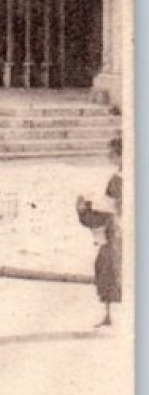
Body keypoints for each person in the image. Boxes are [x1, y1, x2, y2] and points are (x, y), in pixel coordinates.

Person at [77, 136, 123, 327]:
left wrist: (85, 206)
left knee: (109, 268)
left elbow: (113, 207)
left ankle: (111, 314)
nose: (108, 156)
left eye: (111, 152)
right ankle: (109, 315)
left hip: (116, 229)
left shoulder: (117, 179)